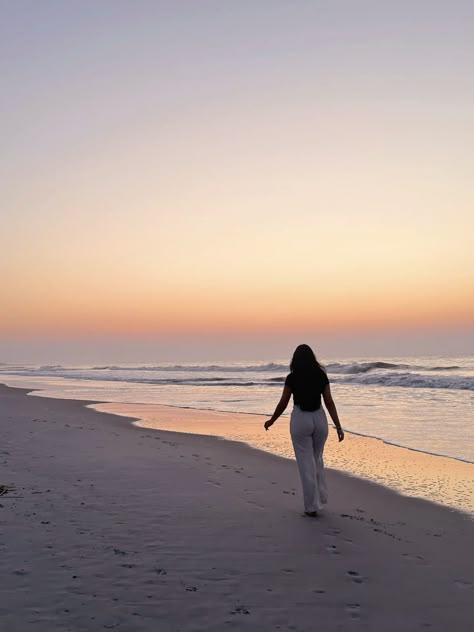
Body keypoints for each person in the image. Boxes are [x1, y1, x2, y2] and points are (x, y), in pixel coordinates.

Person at [264, 344, 344, 517]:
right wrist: (338, 426)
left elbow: (283, 403)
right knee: (316, 459)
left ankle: (311, 507)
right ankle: (321, 497)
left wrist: (272, 420)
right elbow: (329, 402)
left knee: (305, 464)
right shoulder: (321, 375)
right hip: (320, 419)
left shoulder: (292, 378)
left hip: (301, 419)